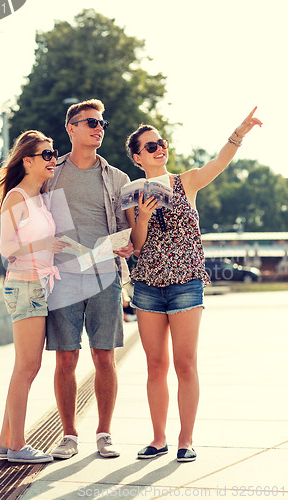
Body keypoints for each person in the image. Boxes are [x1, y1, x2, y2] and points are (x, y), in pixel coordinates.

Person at [125, 108, 262, 462]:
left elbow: (220, 161)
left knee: (185, 364)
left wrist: (238, 133)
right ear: (138, 157)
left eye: (162, 142)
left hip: (186, 282)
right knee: (155, 365)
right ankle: (158, 440)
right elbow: (137, 246)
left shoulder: (187, 181)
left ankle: (186, 440)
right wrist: (142, 216)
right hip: (148, 287)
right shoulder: (133, 194)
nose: (159, 148)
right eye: (151, 146)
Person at [44, 99, 133, 459]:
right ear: (71, 128)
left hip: (104, 277)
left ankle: (104, 433)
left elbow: (126, 228)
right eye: (91, 122)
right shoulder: (52, 172)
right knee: (66, 359)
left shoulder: (117, 178)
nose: (98, 128)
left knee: (105, 358)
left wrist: (128, 244)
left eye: (101, 123)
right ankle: (68, 435)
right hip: (61, 278)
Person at [0, 130, 66, 464]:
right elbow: (6, 248)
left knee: (27, 366)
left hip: (39, 283)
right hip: (24, 285)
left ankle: (5, 441)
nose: (53, 159)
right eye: (47, 154)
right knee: (27, 366)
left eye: (54, 153)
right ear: (28, 161)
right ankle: (18, 446)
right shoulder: (17, 198)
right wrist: (43, 246)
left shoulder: (39, 198)